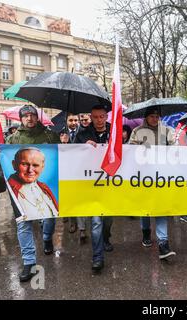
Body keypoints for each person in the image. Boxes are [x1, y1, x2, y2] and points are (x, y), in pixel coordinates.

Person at [0, 105, 60, 282]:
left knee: (50, 216)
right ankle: (29, 263)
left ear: (37, 117)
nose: (29, 118)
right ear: (20, 118)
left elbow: (61, 155)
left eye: (32, 115)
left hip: (47, 185)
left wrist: (66, 143)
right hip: (19, 188)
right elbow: (5, 161)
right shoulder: (13, 138)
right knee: (24, 223)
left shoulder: (50, 135)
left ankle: (46, 238)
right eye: (26, 115)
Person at [129, 107, 176, 260]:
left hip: (162, 175)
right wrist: (139, 149)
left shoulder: (168, 131)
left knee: (160, 207)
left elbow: (175, 149)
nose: (155, 119)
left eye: (157, 116)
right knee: (145, 207)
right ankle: (146, 231)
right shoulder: (137, 131)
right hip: (143, 176)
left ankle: (163, 243)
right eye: (152, 116)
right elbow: (129, 149)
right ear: (146, 117)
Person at [75, 105, 113, 272]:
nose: (98, 120)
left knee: (108, 219)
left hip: (112, 183)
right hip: (92, 183)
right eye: (95, 117)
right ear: (91, 117)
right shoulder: (82, 134)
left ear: (106, 117)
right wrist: (84, 145)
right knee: (96, 221)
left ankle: (106, 238)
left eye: (101, 117)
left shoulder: (115, 132)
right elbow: (72, 153)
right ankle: (97, 257)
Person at [7, 147, 58, 220]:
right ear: (14, 164)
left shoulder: (44, 187)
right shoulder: (9, 186)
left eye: (35, 165)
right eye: (24, 164)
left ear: (42, 167)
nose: (30, 170)